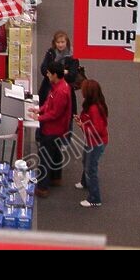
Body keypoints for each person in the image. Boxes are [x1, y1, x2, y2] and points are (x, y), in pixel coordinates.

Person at [35, 62, 70, 197]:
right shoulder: (58, 86)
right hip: (57, 128)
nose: (47, 75)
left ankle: (42, 187)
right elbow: (49, 103)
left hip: (52, 129)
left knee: (45, 157)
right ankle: (56, 177)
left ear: (55, 74)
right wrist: (39, 110)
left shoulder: (61, 91)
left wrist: (39, 117)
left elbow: (55, 113)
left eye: (49, 73)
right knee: (56, 152)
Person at [76, 79, 109, 208]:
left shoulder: (94, 109)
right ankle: (85, 182)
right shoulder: (92, 105)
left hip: (96, 143)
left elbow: (97, 129)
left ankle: (95, 198)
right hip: (91, 141)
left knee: (91, 168)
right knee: (86, 161)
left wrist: (82, 126)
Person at [37, 30, 80, 106]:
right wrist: (63, 72)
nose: (60, 45)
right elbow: (43, 69)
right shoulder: (50, 52)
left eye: (62, 42)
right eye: (58, 42)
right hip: (48, 88)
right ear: (54, 43)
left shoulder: (73, 56)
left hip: (65, 90)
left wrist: (52, 73)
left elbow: (72, 76)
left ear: (67, 42)